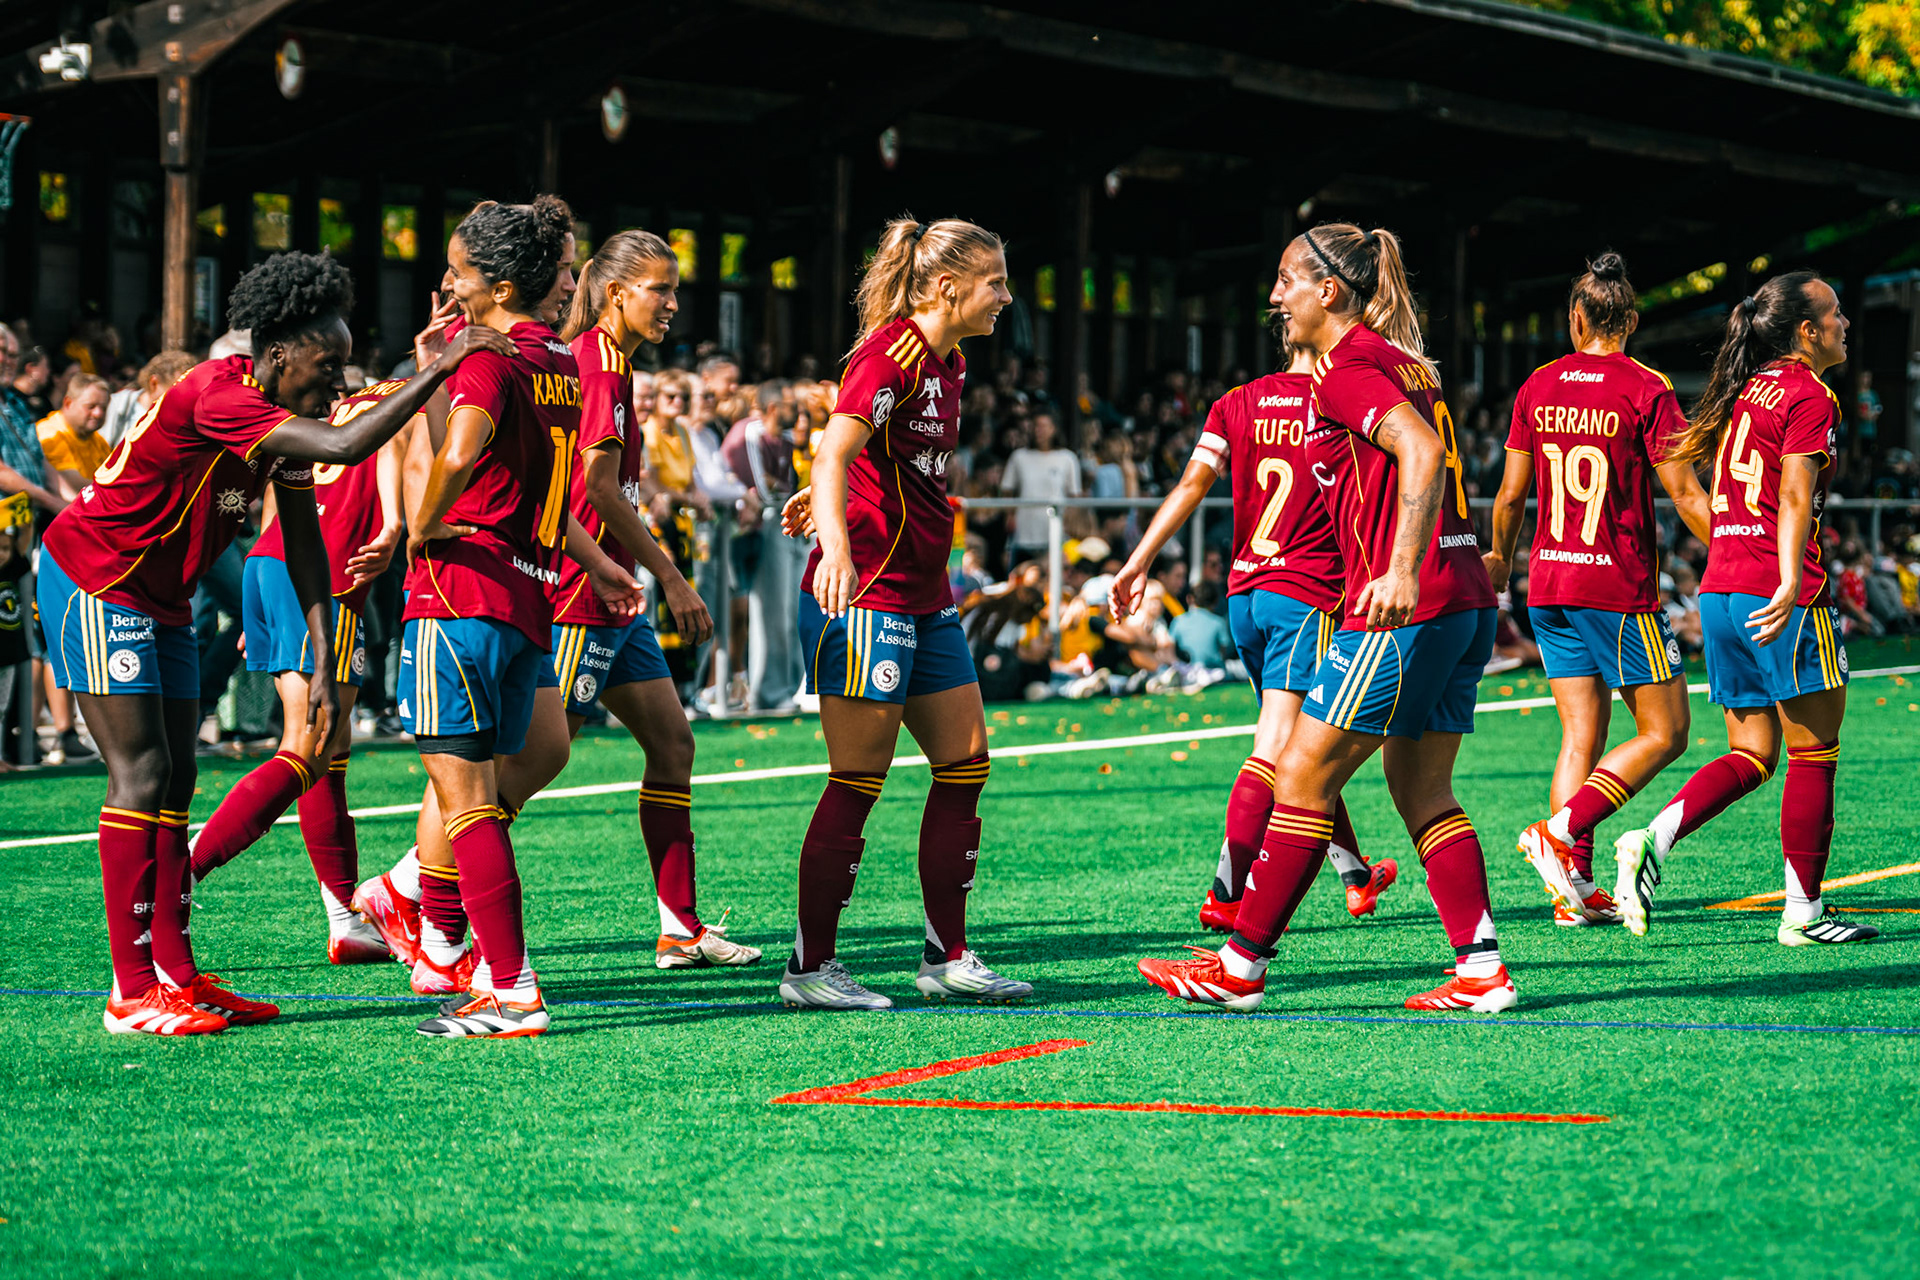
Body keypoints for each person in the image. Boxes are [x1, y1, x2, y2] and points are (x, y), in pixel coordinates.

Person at [35, 249, 512, 1036]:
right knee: (142, 772)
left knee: (180, 774)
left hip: (161, 596)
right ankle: (131, 991)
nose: (335, 384)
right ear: (278, 353)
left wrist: (325, 658)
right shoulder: (220, 395)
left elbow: (303, 543)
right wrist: (444, 367)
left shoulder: (280, 420)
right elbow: (345, 449)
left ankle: (179, 975)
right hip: (96, 576)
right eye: (327, 367)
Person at [1137, 223, 1509, 1013]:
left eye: (1285, 281)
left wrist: (1401, 566)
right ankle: (1481, 971)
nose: (1276, 297)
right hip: (1463, 599)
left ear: (1328, 291)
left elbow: (1415, 449)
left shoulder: (1345, 368)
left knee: (1301, 775)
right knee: (1424, 794)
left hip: (1405, 604)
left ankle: (1240, 968)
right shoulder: (1405, 358)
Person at [397, 197, 645, 1038]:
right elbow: (519, 468)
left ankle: (506, 986)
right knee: (486, 797)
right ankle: (461, 957)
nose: (449, 285)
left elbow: (461, 455)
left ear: (499, 285)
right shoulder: (562, 363)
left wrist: (422, 525)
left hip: (460, 594)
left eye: (460, 273)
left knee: (465, 803)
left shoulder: (490, 359)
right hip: (527, 602)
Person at [784, 215, 1026, 1010]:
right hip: (869, 594)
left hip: (926, 596)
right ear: (950, 286)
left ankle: (946, 957)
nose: (1006, 296)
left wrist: (826, 500)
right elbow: (834, 451)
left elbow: (869, 463)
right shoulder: (892, 351)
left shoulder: (948, 360)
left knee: (966, 761)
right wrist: (839, 544)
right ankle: (809, 970)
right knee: (859, 777)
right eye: (995, 282)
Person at [1611, 273, 1876, 946]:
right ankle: (1804, 914)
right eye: (1835, 313)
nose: (1846, 322)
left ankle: (1651, 837)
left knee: (1753, 751)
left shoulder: (1745, 390)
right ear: (1807, 332)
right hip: (1777, 594)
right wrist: (1791, 580)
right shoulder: (1810, 393)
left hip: (1722, 588)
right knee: (1815, 753)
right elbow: (1793, 496)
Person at [183, 310, 457, 961]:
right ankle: (183, 870)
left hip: (280, 569)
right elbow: (403, 459)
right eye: (329, 367)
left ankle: (345, 919)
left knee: (328, 758)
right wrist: (394, 530)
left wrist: (263, 610)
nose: (335, 384)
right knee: (308, 749)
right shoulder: (396, 401)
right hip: (319, 581)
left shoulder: (305, 415)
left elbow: (284, 498)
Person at [1111, 328, 1396, 937]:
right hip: (1306, 596)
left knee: (1301, 741)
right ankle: (1225, 892)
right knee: (1280, 748)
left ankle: (1354, 874)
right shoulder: (1340, 399)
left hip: (1246, 597)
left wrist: (1138, 560)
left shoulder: (1236, 401)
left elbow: (1191, 485)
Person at [1484, 254, 1713, 927]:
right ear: (1632, 321)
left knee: (1581, 734)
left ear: (1576, 318)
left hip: (1547, 581)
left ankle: (1573, 891)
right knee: (1667, 732)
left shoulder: (1539, 383)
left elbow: (1510, 493)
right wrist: (1737, 553)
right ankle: (1561, 834)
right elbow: (1684, 493)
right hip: (1614, 586)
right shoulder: (1646, 387)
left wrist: (1501, 557)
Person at [1000, 409, 1079, 562]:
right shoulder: (1019, 457)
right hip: (1024, 533)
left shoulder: (1067, 458)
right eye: (1036, 426)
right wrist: (1009, 515)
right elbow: (1007, 489)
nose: (1038, 431)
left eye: (1043, 426)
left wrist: (1070, 522)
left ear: (1054, 429)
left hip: (1055, 532)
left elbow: (1074, 495)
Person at [36, 373, 112, 501]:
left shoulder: (98, 440)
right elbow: (70, 481)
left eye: (103, 408)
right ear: (68, 402)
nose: (98, 413)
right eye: (91, 406)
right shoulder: (51, 433)